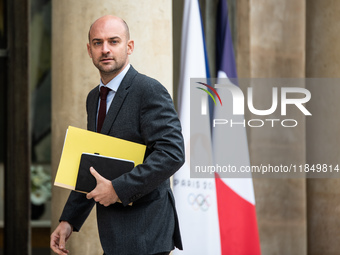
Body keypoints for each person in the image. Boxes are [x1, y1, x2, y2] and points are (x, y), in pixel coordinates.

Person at [50, 15, 184, 255]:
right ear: (89, 50)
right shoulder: (94, 98)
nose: (105, 49)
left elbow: (172, 153)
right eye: (98, 43)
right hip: (114, 236)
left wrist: (118, 189)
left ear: (129, 47)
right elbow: (94, 161)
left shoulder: (148, 90)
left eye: (113, 41)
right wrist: (69, 220)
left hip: (147, 233)